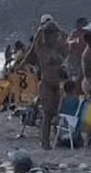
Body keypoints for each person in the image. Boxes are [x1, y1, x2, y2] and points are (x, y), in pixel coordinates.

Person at [16, 14, 67, 150]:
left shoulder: (58, 47)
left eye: (56, 35)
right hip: (46, 82)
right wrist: (18, 66)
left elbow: (67, 43)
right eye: (53, 35)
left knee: (57, 112)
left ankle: (57, 138)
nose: (55, 38)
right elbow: (29, 55)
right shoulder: (41, 47)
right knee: (47, 113)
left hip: (57, 84)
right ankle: (45, 141)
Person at [67, 17, 89, 85]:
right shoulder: (74, 33)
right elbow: (70, 45)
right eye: (82, 23)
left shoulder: (88, 33)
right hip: (75, 58)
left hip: (86, 58)